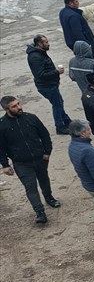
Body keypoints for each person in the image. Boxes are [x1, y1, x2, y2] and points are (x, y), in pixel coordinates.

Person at [0, 95, 60, 225]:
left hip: (40, 158)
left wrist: (47, 152)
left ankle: (49, 198)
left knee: (44, 180)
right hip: (21, 163)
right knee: (30, 187)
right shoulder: (2, 126)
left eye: (18, 104)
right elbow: (1, 147)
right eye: (14, 106)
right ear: (6, 109)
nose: (19, 107)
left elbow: (44, 135)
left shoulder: (31, 118)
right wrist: (5, 164)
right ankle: (40, 212)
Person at [25, 34, 71, 134]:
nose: (48, 44)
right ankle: (60, 126)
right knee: (57, 105)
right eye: (46, 42)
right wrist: (57, 72)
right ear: (39, 44)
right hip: (46, 86)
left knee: (58, 102)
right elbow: (41, 75)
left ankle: (67, 121)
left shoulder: (40, 53)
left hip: (50, 84)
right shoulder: (35, 57)